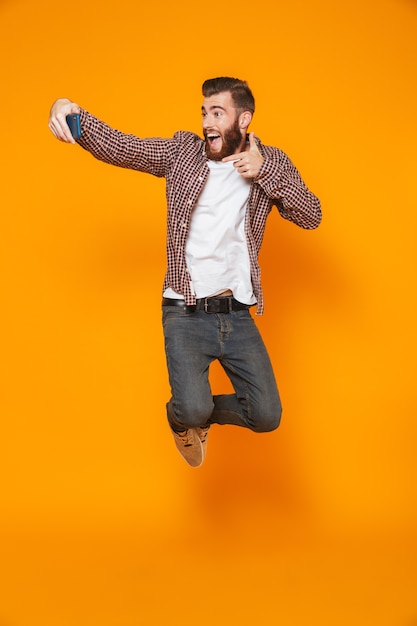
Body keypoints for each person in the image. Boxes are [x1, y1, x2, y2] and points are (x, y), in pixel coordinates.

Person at [48, 77, 321, 468]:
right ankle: (183, 417)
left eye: (218, 112)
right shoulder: (182, 153)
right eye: (204, 112)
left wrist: (265, 173)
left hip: (236, 313)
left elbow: (311, 215)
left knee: (266, 416)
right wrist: (69, 111)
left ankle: (198, 411)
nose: (208, 121)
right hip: (185, 312)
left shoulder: (270, 162)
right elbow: (124, 147)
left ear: (243, 119)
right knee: (191, 409)